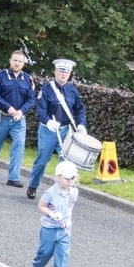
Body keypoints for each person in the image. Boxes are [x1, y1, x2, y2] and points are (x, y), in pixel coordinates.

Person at [27, 59, 87, 199]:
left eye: (66, 72)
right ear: (55, 71)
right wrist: (48, 121)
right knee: (42, 160)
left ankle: (63, 191)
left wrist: (81, 124)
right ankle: (33, 185)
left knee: (66, 162)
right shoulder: (47, 89)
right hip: (48, 131)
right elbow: (40, 110)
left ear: (70, 74)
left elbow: (79, 110)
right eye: (61, 71)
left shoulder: (72, 91)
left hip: (66, 131)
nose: (63, 74)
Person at [0, 50, 35, 187]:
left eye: (20, 61)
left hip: (18, 119)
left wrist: (21, 111)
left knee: (19, 145)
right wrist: (8, 108)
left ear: (24, 63)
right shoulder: (0, 77)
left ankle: (13, 177)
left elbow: (31, 99)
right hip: (1, 117)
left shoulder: (28, 79)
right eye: (15, 60)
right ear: (10, 61)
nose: (17, 63)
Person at [28, 160, 80, 267]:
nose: (70, 181)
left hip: (65, 229)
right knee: (45, 252)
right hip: (49, 228)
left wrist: (67, 219)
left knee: (62, 254)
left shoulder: (74, 192)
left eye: (72, 178)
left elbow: (69, 207)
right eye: (67, 178)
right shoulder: (50, 193)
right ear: (58, 178)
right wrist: (51, 213)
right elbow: (41, 206)